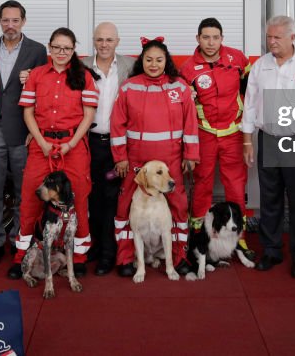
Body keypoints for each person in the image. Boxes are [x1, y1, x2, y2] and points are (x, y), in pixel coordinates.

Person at [242, 16, 295, 279]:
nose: (272, 42)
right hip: (268, 139)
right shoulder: (260, 66)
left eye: (277, 37)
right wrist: (247, 139)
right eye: (269, 37)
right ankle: (272, 249)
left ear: (292, 38)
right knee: (270, 199)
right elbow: (250, 102)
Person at [9, 27, 98, 279]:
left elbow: (89, 115)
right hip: (41, 146)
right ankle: (22, 255)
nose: (61, 52)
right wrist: (41, 142)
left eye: (67, 48)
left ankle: (79, 256)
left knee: (79, 199)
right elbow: (28, 112)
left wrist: (70, 144)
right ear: (49, 48)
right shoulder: (37, 75)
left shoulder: (84, 77)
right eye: (57, 47)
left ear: (73, 51)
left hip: (74, 147)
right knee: (30, 199)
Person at [112, 37, 199, 278]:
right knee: (124, 208)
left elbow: (190, 123)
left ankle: (179, 257)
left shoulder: (179, 87)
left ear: (166, 61)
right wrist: (120, 157)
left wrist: (191, 154)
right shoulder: (129, 87)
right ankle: (126, 258)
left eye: (159, 60)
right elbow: (117, 125)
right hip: (136, 161)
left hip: (171, 161)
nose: (153, 64)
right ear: (142, 61)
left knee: (179, 208)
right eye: (148, 59)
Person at [0, 0, 48, 266]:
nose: (10, 25)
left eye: (15, 20)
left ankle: (21, 239)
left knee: (24, 191)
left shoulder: (38, 50)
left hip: (22, 131)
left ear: (24, 22)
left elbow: (45, 89)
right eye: (5, 20)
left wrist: (36, 128)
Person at [179, 17, 254, 260]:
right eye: (205, 37)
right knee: (202, 184)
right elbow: (186, 108)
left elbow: (250, 92)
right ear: (197, 39)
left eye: (215, 37)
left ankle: (239, 237)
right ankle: (198, 234)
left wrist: (247, 136)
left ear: (222, 38)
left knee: (235, 185)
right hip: (205, 134)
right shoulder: (188, 69)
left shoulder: (238, 60)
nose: (210, 42)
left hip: (233, 133)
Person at [82, 22, 134, 276]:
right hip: (87, 142)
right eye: (100, 39)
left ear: (117, 41)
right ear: (93, 40)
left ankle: (107, 253)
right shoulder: (80, 66)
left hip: (116, 144)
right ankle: (92, 246)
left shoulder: (130, 66)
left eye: (109, 40)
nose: (104, 44)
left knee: (111, 199)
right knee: (88, 196)